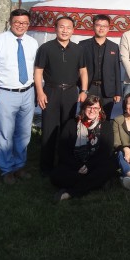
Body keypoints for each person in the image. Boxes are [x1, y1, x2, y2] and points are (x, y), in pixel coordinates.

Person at [0, 8, 39, 185]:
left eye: (24, 23)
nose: (20, 26)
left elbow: (36, 70)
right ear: (10, 22)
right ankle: (6, 170)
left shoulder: (32, 43)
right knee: (6, 134)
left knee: (24, 133)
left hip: (27, 92)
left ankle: (19, 166)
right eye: (17, 22)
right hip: (6, 93)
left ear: (29, 24)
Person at [34, 16, 88, 175]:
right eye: (61, 27)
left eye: (68, 27)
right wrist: (40, 92)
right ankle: (46, 167)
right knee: (49, 128)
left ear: (73, 30)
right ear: (55, 28)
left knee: (68, 128)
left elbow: (83, 71)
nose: (65, 30)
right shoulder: (45, 48)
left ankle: (66, 162)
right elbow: (38, 72)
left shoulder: (78, 49)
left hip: (71, 92)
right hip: (51, 91)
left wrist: (84, 90)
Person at [51, 95, 115, 202]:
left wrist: (88, 166)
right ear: (84, 107)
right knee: (56, 175)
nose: (92, 110)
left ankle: (70, 193)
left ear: (100, 110)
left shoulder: (106, 126)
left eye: (95, 108)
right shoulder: (71, 124)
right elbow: (62, 150)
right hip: (74, 165)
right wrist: (78, 166)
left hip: (95, 165)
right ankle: (97, 183)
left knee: (109, 166)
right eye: (89, 107)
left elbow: (106, 151)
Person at [80, 14, 122, 120]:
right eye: (98, 25)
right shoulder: (83, 45)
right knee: (87, 116)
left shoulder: (114, 46)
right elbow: (78, 68)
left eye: (104, 26)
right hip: (89, 87)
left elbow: (117, 70)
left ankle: (103, 137)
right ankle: (86, 137)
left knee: (105, 117)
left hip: (107, 89)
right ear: (93, 26)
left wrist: (118, 92)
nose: (101, 28)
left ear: (109, 28)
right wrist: (80, 88)